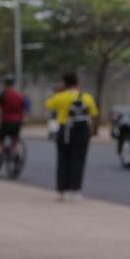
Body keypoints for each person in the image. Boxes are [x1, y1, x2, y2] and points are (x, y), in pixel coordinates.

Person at [45, 73, 99, 201]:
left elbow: (47, 105)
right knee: (78, 161)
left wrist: (57, 92)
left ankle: (61, 191)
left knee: (63, 160)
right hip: (82, 132)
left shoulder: (60, 97)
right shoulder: (87, 97)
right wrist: (93, 131)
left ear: (64, 83)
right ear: (77, 83)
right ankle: (76, 191)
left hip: (64, 131)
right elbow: (94, 113)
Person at [0, 75, 26, 159]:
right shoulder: (19, 95)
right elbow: (23, 109)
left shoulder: (3, 94)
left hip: (6, 121)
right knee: (14, 143)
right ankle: (16, 156)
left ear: (4, 84)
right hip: (17, 122)